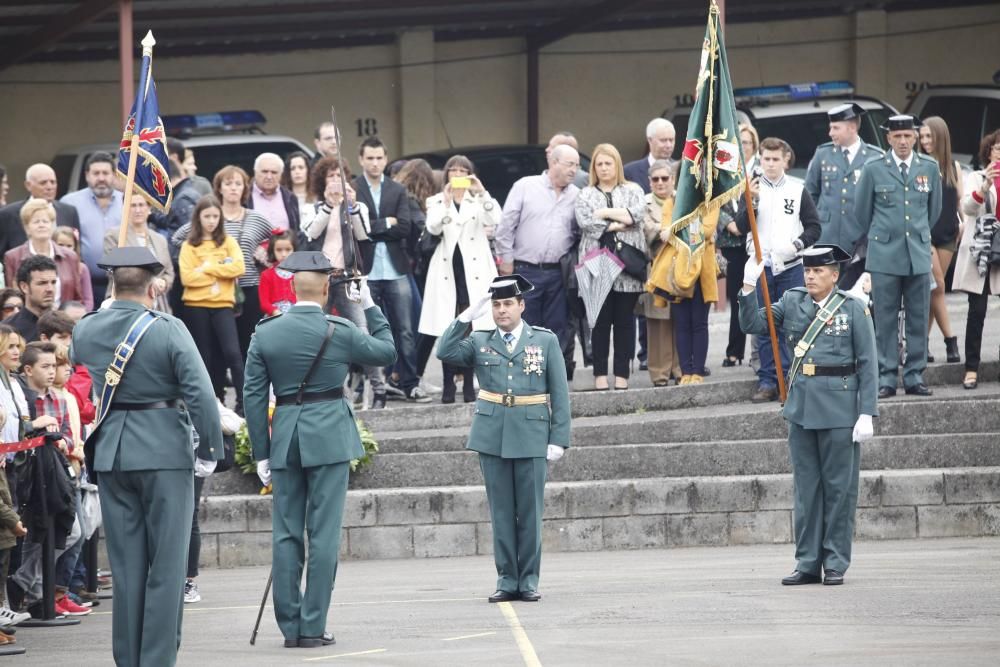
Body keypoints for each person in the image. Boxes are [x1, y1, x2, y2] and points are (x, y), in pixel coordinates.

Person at [70, 246, 222, 667]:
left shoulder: (88, 328)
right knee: (168, 566)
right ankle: (156, 660)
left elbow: (73, 355)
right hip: (163, 449)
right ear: (154, 286)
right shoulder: (168, 327)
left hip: (113, 451)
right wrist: (210, 447)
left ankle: (130, 658)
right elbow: (200, 395)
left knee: (127, 568)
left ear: (112, 284)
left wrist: (101, 316)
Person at [244, 251, 396, 649]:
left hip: (287, 436)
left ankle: (290, 626)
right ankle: (313, 625)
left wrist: (262, 452)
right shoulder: (340, 329)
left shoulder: (266, 331)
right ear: (328, 287)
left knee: (286, 534)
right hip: (328, 435)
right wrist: (370, 304)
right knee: (323, 535)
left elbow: (254, 397)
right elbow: (386, 353)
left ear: (292, 286)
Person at [739, 245, 877, 586]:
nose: (811, 276)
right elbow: (753, 323)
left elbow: (868, 364)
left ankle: (835, 561)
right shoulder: (791, 301)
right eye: (807, 271)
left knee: (839, 490)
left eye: (818, 271)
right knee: (806, 490)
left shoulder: (853, 308)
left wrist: (867, 412)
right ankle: (807, 561)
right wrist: (746, 287)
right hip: (801, 407)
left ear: (834, 275)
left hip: (840, 409)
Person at [437, 274, 570, 602]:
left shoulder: (544, 341)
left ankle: (528, 580)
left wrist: (559, 437)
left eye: (508, 303)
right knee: (500, 512)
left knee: (529, 511)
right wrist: (468, 315)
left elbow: (560, 393)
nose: (501, 311)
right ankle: (507, 578)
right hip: (492, 434)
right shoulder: (480, 340)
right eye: (496, 305)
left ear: (521, 306)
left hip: (531, 432)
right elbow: (445, 350)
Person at [855, 115, 943, 398]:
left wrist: (917, 235)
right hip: (884, 255)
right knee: (885, 318)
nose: (903, 142)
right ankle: (887, 377)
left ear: (915, 137)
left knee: (918, 316)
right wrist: (885, 234)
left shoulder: (928, 167)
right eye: (897, 137)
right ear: (889, 139)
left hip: (916, 253)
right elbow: (861, 212)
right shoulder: (874, 168)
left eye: (908, 136)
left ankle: (915, 375)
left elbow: (934, 210)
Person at [736, 137, 822, 402]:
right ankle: (768, 380)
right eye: (766, 158)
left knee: (793, 325)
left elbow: (814, 227)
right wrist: (753, 201)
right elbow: (742, 227)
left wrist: (796, 245)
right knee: (763, 325)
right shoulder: (751, 188)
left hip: (790, 266)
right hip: (762, 267)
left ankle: (792, 378)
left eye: (775, 159)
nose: (770, 164)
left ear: (785, 160)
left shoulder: (798, 189)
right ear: (760, 159)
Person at [301, 157, 389, 407]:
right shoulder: (314, 207)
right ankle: (333, 392)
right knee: (321, 336)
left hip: (348, 276)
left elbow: (363, 234)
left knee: (361, 332)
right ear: (322, 181)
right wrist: (329, 206)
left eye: (338, 176)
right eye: (329, 177)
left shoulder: (356, 206)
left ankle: (379, 389)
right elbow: (311, 233)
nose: (334, 182)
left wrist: (350, 207)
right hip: (322, 279)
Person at [353, 137, 429, 403]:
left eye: (379, 158)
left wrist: (371, 228)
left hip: (396, 268)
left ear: (385, 159)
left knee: (406, 329)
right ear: (361, 159)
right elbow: (353, 229)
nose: (374, 163)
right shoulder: (353, 187)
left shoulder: (397, 190)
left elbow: (405, 228)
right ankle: (372, 385)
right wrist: (384, 224)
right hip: (366, 269)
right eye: (369, 158)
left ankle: (410, 382)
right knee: (367, 330)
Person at [420, 156, 501, 403]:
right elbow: (433, 228)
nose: (457, 175)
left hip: (474, 272)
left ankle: (467, 384)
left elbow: (495, 220)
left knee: (470, 329)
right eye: (452, 170)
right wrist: (446, 202)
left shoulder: (479, 200)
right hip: (447, 272)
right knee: (449, 329)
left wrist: (482, 191)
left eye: (462, 171)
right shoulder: (435, 200)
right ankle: (447, 384)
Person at [172, 165, 274, 358]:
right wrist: (198, 260)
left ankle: (246, 387)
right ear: (219, 187)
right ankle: (217, 388)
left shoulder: (256, 218)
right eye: (228, 184)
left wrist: (264, 249)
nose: (233, 188)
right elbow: (178, 238)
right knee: (217, 348)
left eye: (238, 184)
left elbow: (278, 239)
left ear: (245, 188)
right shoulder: (211, 216)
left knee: (247, 345)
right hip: (215, 292)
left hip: (249, 287)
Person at [495, 144, 580, 368]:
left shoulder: (576, 195)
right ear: (553, 162)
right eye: (570, 164)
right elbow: (506, 226)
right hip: (525, 270)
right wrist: (506, 260)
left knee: (556, 328)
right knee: (525, 324)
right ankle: (527, 374)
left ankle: (550, 375)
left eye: (577, 166)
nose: (574, 170)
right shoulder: (525, 186)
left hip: (558, 272)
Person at [576, 144, 646, 390]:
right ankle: (600, 375)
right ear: (593, 168)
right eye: (599, 164)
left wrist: (605, 212)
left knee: (625, 321)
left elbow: (637, 215)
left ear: (617, 165)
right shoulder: (584, 194)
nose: (604, 168)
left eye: (609, 163)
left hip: (627, 266)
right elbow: (586, 222)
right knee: (600, 321)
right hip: (596, 264)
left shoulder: (633, 189)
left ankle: (622, 375)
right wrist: (617, 223)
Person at [805, 103, 884, 290]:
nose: (830, 132)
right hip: (827, 237)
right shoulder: (823, 153)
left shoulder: (874, 157)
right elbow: (810, 195)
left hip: (859, 240)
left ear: (852, 127)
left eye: (835, 128)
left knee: (855, 296)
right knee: (823, 294)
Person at [179, 196, 246, 414]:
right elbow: (187, 278)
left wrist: (207, 267)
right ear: (198, 218)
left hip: (223, 304)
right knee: (204, 356)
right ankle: (212, 402)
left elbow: (238, 267)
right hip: (195, 305)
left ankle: (243, 403)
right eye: (207, 216)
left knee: (232, 354)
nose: (211, 221)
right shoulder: (189, 245)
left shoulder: (227, 241)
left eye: (215, 216)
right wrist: (219, 274)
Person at [953, 128, 1000, 390]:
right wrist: (985, 187)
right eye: (997, 149)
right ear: (988, 152)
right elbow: (967, 208)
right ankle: (971, 368)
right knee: (977, 310)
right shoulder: (976, 177)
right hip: (981, 252)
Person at [919, 116, 963, 363]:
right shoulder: (919, 165)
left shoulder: (952, 166)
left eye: (929, 136)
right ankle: (950, 340)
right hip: (926, 235)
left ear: (940, 137)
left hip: (948, 234)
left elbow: (960, 202)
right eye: (922, 137)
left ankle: (922, 344)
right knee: (937, 285)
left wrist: (963, 222)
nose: (925, 141)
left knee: (932, 292)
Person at [59, 152, 123, 304]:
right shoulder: (70, 203)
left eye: (105, 173)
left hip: (120, 283)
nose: (101, 178)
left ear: (114, 175)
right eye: (96, 173)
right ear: (87, 175)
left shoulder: (127, 201)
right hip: (84, 282)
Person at [640, 160, 683, 385]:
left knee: (681, 320)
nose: (660, 183)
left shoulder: (683, 199)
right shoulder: (644, 203)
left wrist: (670, 231)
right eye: (655, 179)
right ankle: (659, 373)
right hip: (655, 267)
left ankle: (679, 368)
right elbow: (647, 230)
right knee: (657, 323)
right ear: (649, 182)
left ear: (673, 180)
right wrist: (672, 230)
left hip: (682, 268)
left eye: (664, 178)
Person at [4, 198, 84, 308]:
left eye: (46, 221)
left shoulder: (70, 256)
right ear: (27, 227)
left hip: (63, 320)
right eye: (36, 221)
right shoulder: (12, 257)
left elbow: (77, 296)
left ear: (52, 225)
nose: (41, 225)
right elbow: (13, 297)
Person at [104, 196, 175, 313]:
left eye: (141, 205)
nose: (137, 210)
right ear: (125, 208)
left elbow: (169, 272)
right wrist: (150, 281)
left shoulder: (159, 239)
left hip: (158, 305)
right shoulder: (114, 236)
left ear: (149, 208)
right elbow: (111, 270)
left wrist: (164, 283)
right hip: (124, 302)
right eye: (133, 205)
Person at [0, 163, 80, 259]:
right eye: (43, 183)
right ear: (28, 185)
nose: (49, 187)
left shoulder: (69, 211)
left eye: (53, 182)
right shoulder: (7, 215)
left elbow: (77, 249)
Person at [4, 255, 58, 342]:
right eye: (42, 283)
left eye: (53, 282)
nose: (50, 289)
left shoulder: (65, 325)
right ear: (24, 287)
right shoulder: (7, 330)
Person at [249, 153, 300, 233]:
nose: (269, 177)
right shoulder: (245, 197)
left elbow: (296, 231)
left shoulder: (290, 198)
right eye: (264, 172)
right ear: (255, 172)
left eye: (274, 172)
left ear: (281, 175)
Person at [624, 118, 677, 193]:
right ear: (650, 140)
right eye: (663, 140)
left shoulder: (681, 170)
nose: (669, 145)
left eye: (671, 140)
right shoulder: (630, 172)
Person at [53, 227, 94, 310]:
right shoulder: (49, 266)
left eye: (69, 246)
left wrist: (82, 315)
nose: (65, 249)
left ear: (75, 247)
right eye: (60, 245)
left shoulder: (82, 268)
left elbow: (88, 300)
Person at [258, 230, 297, 315]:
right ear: (273, 251)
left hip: (296, 318)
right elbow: (264, 303)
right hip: (274, 319)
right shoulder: (266, 275)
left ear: (294, 250)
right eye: (279, 250)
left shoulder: (300, 274)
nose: (283, 254)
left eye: (288, 250)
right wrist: (275, 312)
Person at [282, 151, 315, 230]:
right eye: (293, 168)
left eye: (301, 167)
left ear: (308, 170)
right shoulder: (283, 196)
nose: (297, 172)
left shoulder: (317, 196)